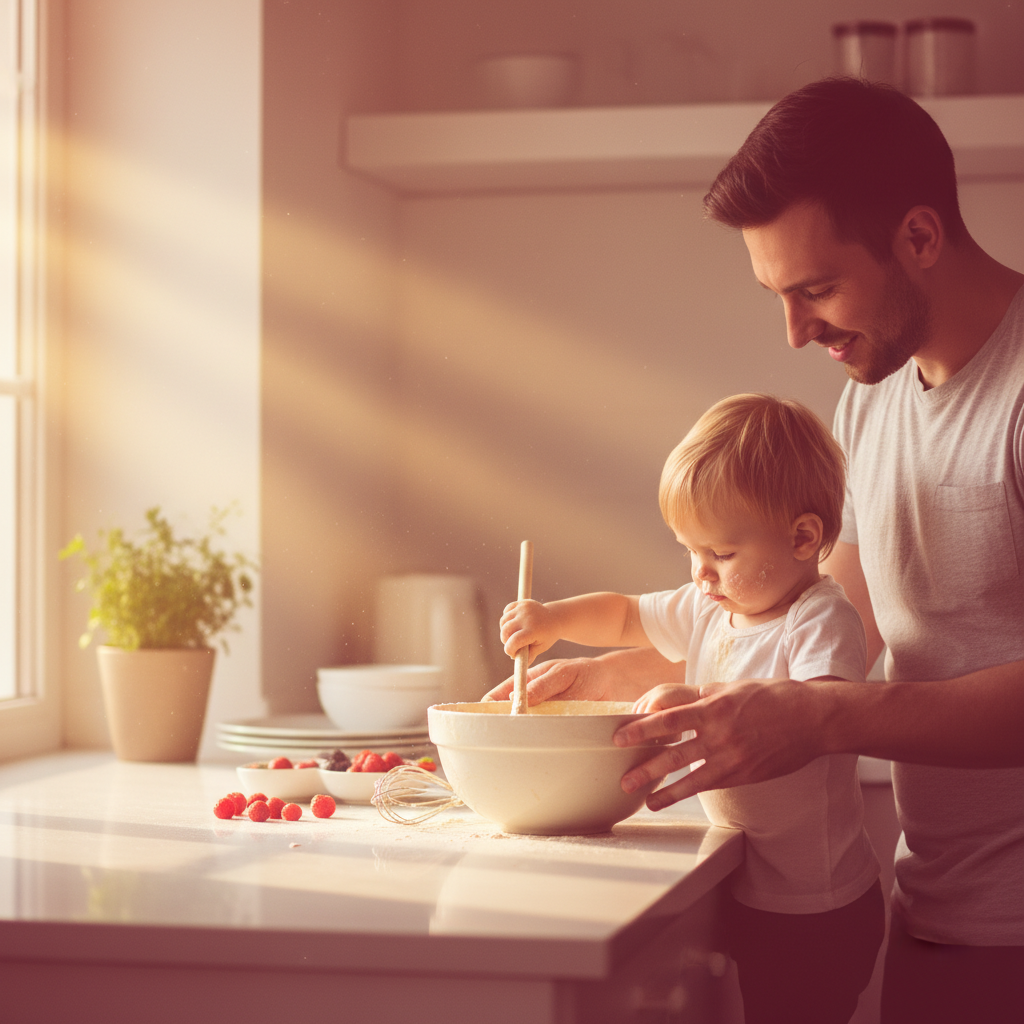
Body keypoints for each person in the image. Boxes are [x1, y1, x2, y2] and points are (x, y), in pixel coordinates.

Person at [486, 78, 1024, 1022]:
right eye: (778, 294)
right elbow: (818, 626)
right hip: (932, 904)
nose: (794, 330)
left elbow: (828, 704)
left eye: (815, 289)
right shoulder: (873, 399)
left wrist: (819, 722)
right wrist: (616, 675)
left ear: (921, 237)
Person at [500, 393, 884, 1024]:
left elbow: (820, 714)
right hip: (735, 872)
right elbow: (625, 613)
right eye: (690, 551)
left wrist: (702, 701)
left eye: (721, 555)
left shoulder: (820, 619)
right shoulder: (713, 605)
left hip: (817, 905)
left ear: (803, 537)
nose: (701, 574)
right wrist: (555, 620)